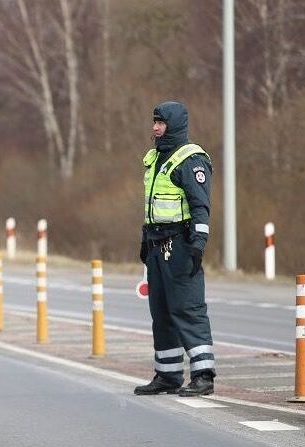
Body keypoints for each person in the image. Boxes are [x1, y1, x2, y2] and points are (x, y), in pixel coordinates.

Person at [134, 101, 216, 397]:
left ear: (174, 125)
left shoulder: (190, 160)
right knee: (162, 312)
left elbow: (200, 207)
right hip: (157, 246)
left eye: (160, 123)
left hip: (181, 246)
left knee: (188, 309)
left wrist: (198, 245)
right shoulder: (156, 158)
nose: (155, 127)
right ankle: (167, 376)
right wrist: (145, 242)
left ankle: (203, 375)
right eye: (154, 122)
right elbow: (151, 206)